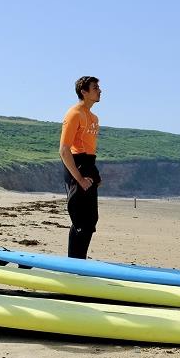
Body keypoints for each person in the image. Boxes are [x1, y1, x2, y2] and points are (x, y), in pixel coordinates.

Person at [59, 76, 102, 259]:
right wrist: (79, 178)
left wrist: (95, 175)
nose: (99, 91)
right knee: (80, 219)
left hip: (89, 164)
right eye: (95, 88)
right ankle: (73, 264)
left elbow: (89, 150)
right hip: (76, 165)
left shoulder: (93, 117)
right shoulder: (74, 113)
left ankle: (80, 261)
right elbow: (64, 150)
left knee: (91, 219)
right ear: (84, 92)